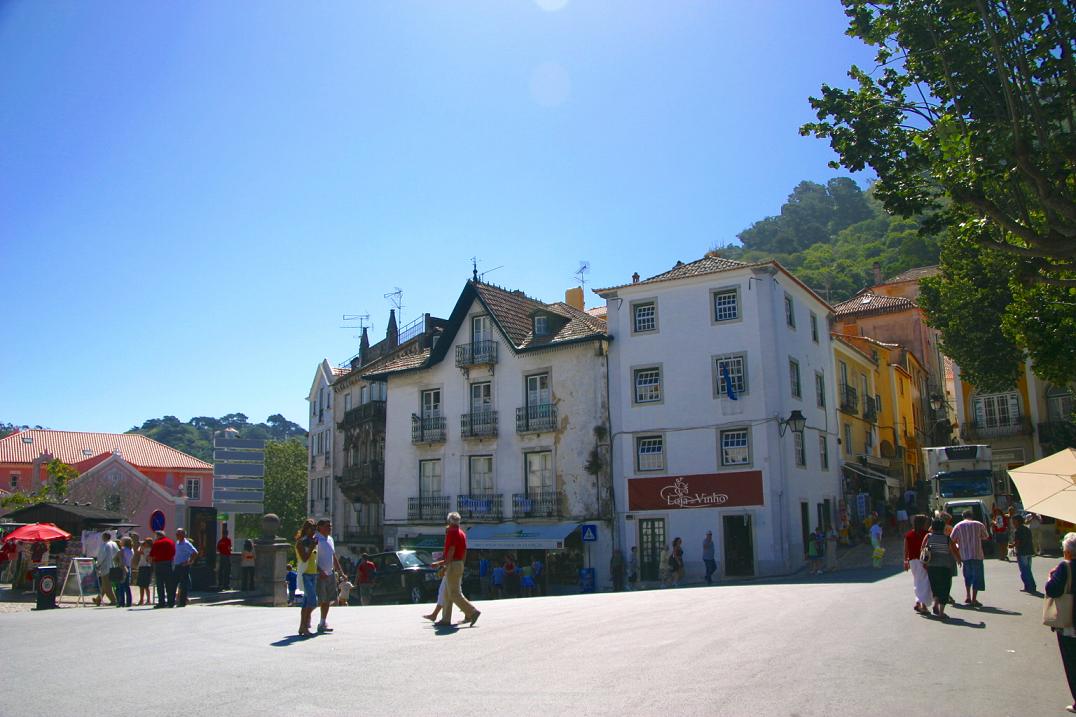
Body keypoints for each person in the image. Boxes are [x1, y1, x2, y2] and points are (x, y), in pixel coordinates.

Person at [1044, 532, 1076, 714]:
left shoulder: (1065, 567)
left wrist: (1051, 577)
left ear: (1069, 552)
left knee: (1072, 662)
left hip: (1070, 620)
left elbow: (1053, 590)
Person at [435, 512, 480, 628]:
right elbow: (464, 551)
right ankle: (445, 619)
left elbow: (451, 550)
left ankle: (472, 612)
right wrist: (461, 565)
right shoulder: (461, 533)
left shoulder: (452, 532)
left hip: (453, 563)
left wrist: (444, 564)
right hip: (459, 563)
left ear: (449, 521)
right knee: (447, 593)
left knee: (454, 593)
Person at [923, 517, 962, 618]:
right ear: (943, 527)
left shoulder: (928, 536)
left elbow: (922, 549)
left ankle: (935, 603)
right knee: (945, 587)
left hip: (931, 566)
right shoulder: (947, 538)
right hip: (945, 566)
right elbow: (954, 550)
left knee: (935, 586)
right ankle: (941, 612)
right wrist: (958, 560)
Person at [950, 509, 989, 607]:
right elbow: (985, 537)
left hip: (965, 556)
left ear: (963, 516)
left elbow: (951, 540)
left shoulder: (958, 526)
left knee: (967, 576)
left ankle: (968, 595)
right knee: (977, 577)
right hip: (977, 554)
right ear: (972, 516)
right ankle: (974, 599)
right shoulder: (979, 524)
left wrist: (958, 548)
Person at [314, 519, 343, 633]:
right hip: (319, 574)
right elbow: (313, 558)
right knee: (319, 599)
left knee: (328, 599)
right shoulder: (316, 539)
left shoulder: (330, 539)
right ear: (320, 527)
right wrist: (319, 570)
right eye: (327, 526)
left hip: (330, 573)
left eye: (330, 526)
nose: (330, 528)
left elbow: (333, 556)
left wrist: (340, 571)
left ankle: (323, 622)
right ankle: (306, 621)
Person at [903, 514, 933, 615]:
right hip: (922, 560)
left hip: (912, 560)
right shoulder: (926, 534)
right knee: (924, 582)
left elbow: (906, 548)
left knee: (917, 581)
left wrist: (905, 560)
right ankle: (923, 605)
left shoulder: (909, 534)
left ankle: (918, 602)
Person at [294, 519, 318, 637]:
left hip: (313, 573)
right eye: (312, 528)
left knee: (306, 603)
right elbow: (304, 558)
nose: (314, 531)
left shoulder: (311, 541)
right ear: (306, 529)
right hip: (305, 574)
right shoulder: (301, 542)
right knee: (313, 602)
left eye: (315, 529)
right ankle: (304, 626)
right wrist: (313, 546)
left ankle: (302, 626)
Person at [1010, 514, 1038, 594]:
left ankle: (1030, 586)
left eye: (1014, 522)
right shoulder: (1027, 529)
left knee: (1025, 570)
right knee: (1028, 569)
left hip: (1022, 552)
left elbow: (1018, 542)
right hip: (1029, 551)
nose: (1013, 523)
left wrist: (1012, 546)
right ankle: (1028, 586)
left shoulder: (1018, 530)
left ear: (1018, 522)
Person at [172, 528, 199, 607]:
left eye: (179, 534)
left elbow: (195, 552)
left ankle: (182, 602)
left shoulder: (186, 543)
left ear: (183, 535)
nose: (177, 535)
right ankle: (172, 601)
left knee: (183, 585)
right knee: (173, 584)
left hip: (183, 566)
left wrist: (189, 561)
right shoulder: (177, 543)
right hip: (177, 566)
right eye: (176, 534)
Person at [150, 530, 176, 608]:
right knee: (169, 584)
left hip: (159, 564)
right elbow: (174, 552)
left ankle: (161, 602)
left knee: (160, 584)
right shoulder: (171, 542)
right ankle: (171, 602)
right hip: (169, 564)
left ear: (158, 536)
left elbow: (152, 555)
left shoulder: (157, 543)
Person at [93, 532, 119, 607]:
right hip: (113, 566)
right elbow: (117, 553)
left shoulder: (105, 545)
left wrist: (97, 565)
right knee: (105, 585)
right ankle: (98, 599)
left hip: (106, 567)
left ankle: (114, 600)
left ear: (104, 537)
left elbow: (101, 556)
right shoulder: (114, 544)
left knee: (107, 586)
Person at [116, 536, 134, 607]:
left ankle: (121, 602)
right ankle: (129, 602)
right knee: (127, 586)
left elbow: (120, 560)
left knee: (121, 586)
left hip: (123, 567)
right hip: (129, 567)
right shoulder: (131, 550)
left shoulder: (122, 550)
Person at [136, 537, 154, 606]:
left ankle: (148, 599)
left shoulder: (150, 550)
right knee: (141, 585)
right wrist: (141, 546)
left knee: (146, 585)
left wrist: (141, 547)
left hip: (147, 567)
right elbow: (138, 551)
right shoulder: (143, 548)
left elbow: (143, 555)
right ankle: (141, 599)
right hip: (141, 566)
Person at [216, 525, 233, 591]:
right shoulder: (228, 540)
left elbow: (217, 549)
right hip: (227, 556)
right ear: (227, 534)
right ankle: (226, 585)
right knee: (227, 571)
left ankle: (220, 584)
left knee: (221, 570)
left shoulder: (220, 541)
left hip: (221, 556)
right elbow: (229, 548)